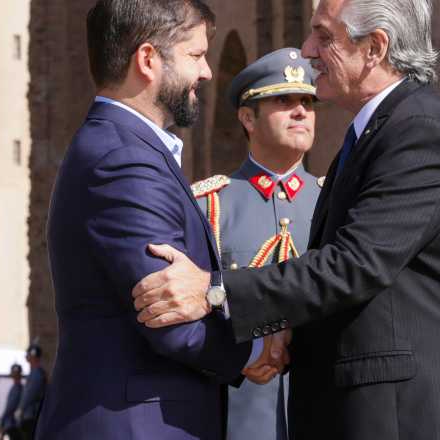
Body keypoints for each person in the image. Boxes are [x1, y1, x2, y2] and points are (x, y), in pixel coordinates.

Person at [131, 0, 440, 438]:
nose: (307, 50)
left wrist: (213, 290)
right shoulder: (377, 132)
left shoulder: (419, 132)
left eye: (323, 36)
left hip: (402, 417)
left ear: (375, 48)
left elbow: (353, 265)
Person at [35, 1, 284, 439]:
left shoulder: (123, 148)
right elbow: (169, 316)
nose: (206, 72)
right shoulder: (124, 160)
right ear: (148, 60)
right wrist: (261, 348)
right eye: (194, 56)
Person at [190, 47, 321, 440]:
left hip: (323, 413)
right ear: (248, 118)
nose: (300, 111)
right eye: (284, 101)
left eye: (307, 102)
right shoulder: (209, 205)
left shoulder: (337, 201)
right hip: (237, 417)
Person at [18, 344, 45, 440]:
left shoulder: (36, 374)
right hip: (30, 415)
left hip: (32, 415)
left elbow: (30, 395)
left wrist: (21, 408)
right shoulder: (34, 373)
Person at [0, 364, 24, 440]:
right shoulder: (17, 387)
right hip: (12, 423)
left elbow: (10, 408)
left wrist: (2, 422)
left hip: (13, 424)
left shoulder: (17, 388)